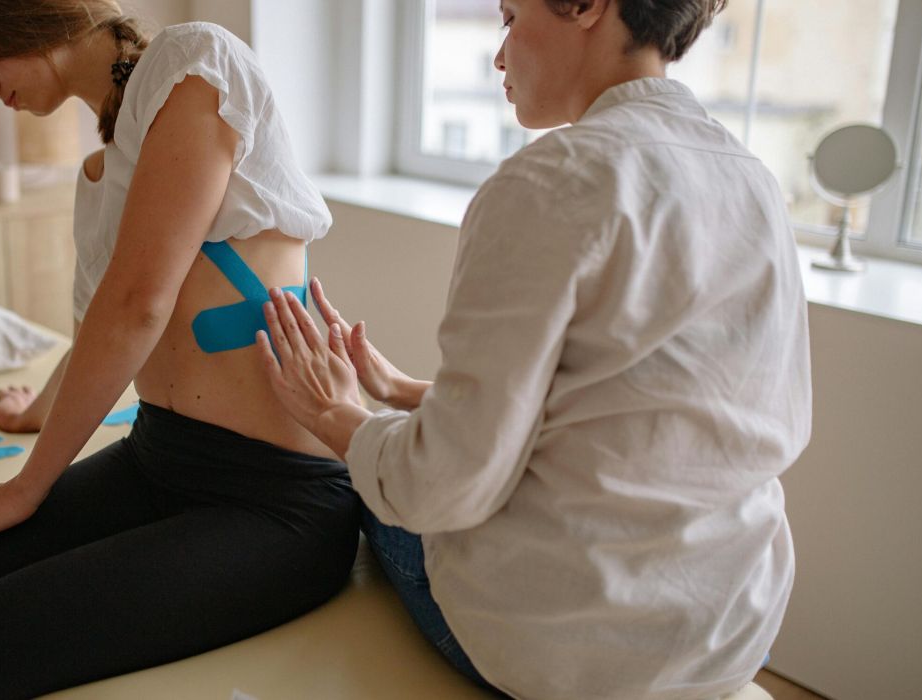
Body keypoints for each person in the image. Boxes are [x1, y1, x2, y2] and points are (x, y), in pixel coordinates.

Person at [257, 1, 812, 698]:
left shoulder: (549, 181)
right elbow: (651, 414)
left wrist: (335, 412)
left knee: (361, 481)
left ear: (586, 7)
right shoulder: (753, 180)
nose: (499, 54)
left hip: (570, 649)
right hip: (728, 632)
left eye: (511, 16)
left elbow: (444, 487)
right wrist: (408, 393)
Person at [0, 3, 360, 698]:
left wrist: (26, 485)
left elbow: (140, 304)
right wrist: (35, 410)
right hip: (158, 460)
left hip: (272, 501)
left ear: (29, 19)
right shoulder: (103, 175)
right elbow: (100, 330)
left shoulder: (196, 63)